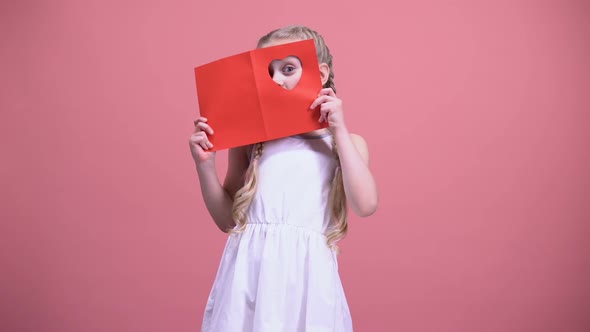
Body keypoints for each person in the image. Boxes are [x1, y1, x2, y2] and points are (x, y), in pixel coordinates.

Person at [190, 25, 378, 332]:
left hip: (307, 283)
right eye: (268, 72)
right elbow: (227, 221)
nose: (277, 80)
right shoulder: (250, 141)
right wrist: (205, 167)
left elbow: (366, 204)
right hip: (248, 279)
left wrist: (339, 131)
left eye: (288, 68)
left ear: (320, 74)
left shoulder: (345, 144)